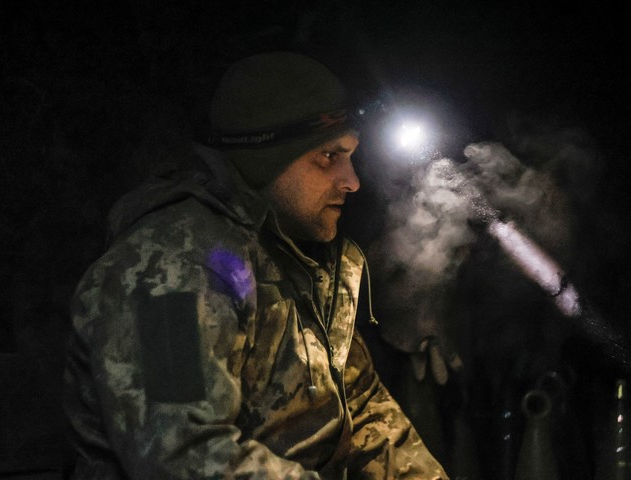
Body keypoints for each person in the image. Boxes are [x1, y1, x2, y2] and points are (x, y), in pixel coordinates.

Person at [63, 51, 449, 479]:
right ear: (267, 158)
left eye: (351, 155)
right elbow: (182, 456)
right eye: (328, 157)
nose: (351, 181)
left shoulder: (299, 258)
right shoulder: (170, 266)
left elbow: (362, 414)